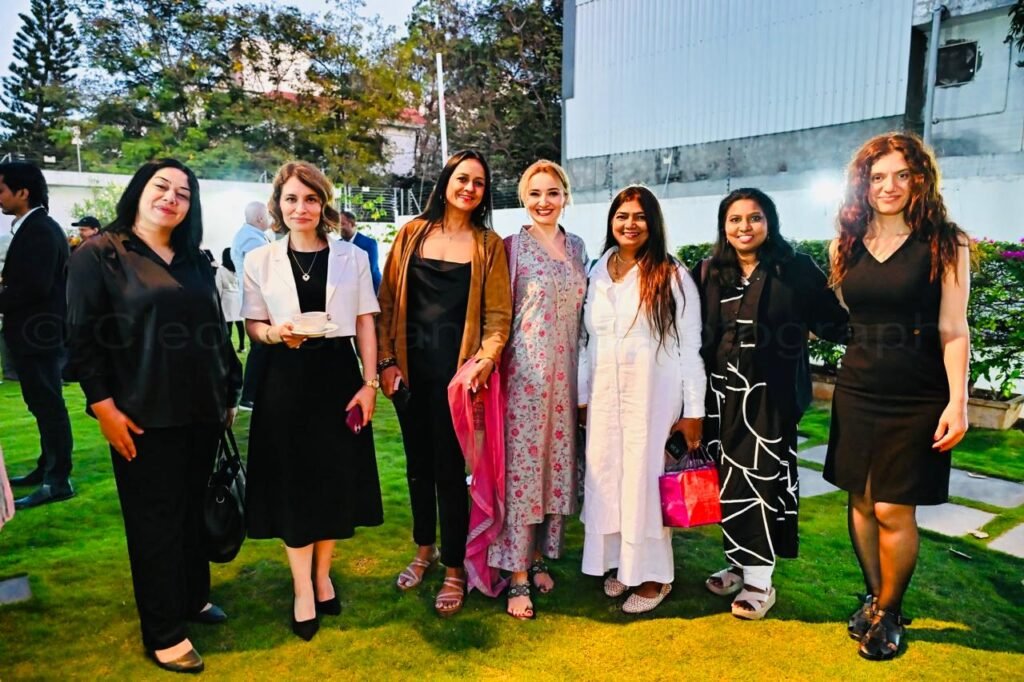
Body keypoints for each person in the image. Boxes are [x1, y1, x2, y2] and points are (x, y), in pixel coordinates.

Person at [66, 159, 242, 673]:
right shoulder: (100, 255)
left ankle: (193, 598)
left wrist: (228, 392)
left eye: (183, 193)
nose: (171, 198)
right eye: (161, 186)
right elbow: (81, 340)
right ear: (139, 191)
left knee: (191, 511)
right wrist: (103, 408)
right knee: (155, 523)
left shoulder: (193, 258)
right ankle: (164, 632)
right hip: (142, 415)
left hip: (202, 410)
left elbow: (215, 329)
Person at [824, 132, 970, 661]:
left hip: (917, 394)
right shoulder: (844, 244)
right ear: (863, 184)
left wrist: (957, 402)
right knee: (861, 500)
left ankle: (890, 612)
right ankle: (873, 597)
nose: (889, 186)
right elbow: (848, 317)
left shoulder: (946, 243)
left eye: (901, 175)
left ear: (919, 180)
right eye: (877, 176)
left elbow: (954, 329)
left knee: (892, 505)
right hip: (858, 388)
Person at [241, 161, 382, 641]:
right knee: (293, 483)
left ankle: (323, 576)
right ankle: (303, 588)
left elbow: (365, 321)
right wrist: (275, 334)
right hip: (284, 378)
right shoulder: (260, 260)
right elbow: (253, 325)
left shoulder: (352, 256)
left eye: (310, 199)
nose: (300, 208)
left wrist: (369, 384)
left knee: (331, 480)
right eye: (291, 199)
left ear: (323, 204)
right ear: (278, 205)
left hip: (337, 376)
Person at [694, 188, 849, 620]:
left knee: (760, 483)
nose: (744, 227)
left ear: (770, 221)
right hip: (719, 396)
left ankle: (760, 581)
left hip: (769, 398)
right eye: (735, 219)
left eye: (754, 217)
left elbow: (832, 321)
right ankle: (737, 564)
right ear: (724, 226)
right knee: (728, 483)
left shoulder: (794, 268)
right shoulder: (709, 271)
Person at [377, 149, 512, 617]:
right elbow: (386, 304)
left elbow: (499, 317)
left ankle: (455, 566)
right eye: (462, 178)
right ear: (446, 181)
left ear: (484, 192)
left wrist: (485, 360)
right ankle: (424, 549)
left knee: (452, 474)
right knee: (418, 468)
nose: (469, 188)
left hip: (459, 382)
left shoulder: (488, 244)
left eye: (478, 182)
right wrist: (386, 363)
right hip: (409, 375)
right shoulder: (412, 233)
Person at [577, 185, 705, 614]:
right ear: (611, 221)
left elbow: (690, 347)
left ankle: (655, 577)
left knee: (644, 485)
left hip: (653, 397)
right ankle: (621, 565)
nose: (629, 224)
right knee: (609, 480)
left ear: (653, 223)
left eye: (639, 216)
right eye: (622, 216)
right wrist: (582, 396)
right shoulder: (597, 270)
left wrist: (694, 412)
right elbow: (586, 341)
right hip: (604, 398)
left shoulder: (672, 275)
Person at [487, 160, 588, 620]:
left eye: (552, 192)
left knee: (555, 469)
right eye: (535, 193)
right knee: (524, 476)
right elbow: (497, 314)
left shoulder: (578, 246)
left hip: (567, 380)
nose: (544, 202)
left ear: (565, 195)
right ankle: (517, 574)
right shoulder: (511, 248)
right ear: (523, 198)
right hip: (524, 379)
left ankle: (539, 556)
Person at [0, 161, 74, 509]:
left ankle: (57, 480)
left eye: (2, 190)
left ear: (23, 192)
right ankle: (48, 467)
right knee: (42, 403)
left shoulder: (41, 229)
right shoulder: (35, 227)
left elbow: (34, 287)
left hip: (38, 334)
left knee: (48, 405)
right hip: (33, 333)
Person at [231, 201, 273, 409]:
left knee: (264, 348)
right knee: (261, 347)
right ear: (259, 218)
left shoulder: (251, 235)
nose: (271, 220)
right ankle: (249, 396)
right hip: (258, 300)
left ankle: (255, 393)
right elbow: (264, 269)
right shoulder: (251, 238)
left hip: (258, 299)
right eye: (268, 216)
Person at [339, 209, 382, 293]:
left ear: (352, 224)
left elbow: (370, 270)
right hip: (347, 292)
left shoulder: (369, 243)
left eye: (342, 224)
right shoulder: (337, 245)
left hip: (371, 290)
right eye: (338, 224)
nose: (339, 227)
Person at [216, 248, 244, 352]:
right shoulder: (237, 269)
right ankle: (242, 346)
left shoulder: (220, 270)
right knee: (239, 324)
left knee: (228, 324)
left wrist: (217, 301)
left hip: (226, 299)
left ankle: (227, 348)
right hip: (237, 298)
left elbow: (218, 287)